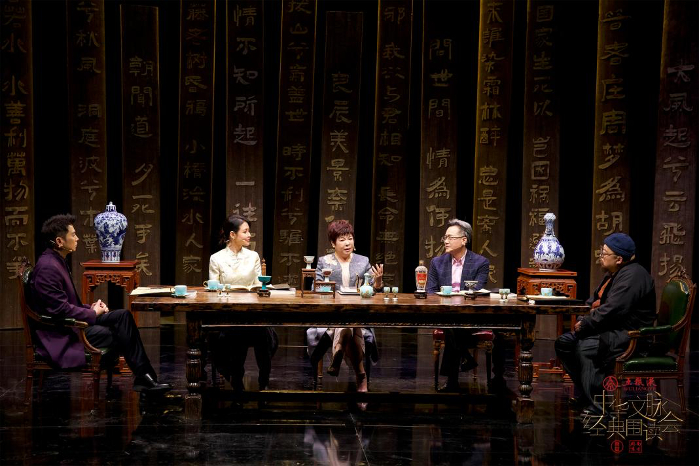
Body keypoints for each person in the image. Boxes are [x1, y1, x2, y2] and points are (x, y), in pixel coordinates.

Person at [29, 214, 172, 394]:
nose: (77, 238)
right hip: (64, 333)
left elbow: (65, 303)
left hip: (72, 324)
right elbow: (59, 309)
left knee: (123, 317)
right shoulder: (48, 267)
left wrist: (91, 308)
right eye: (73, 235)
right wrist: (93, 313)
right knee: (122, 333)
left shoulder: (56, 261)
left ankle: (145, 378)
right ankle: (145, 380)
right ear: (59, 241)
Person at [555, 233, 655, 414]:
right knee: (564, 343)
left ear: (619, 259)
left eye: (604, 253)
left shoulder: (633, 276)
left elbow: (613, 310)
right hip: (610, 329)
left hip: (630, 336)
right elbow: (594, 301)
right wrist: (583, 318)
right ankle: (586, 394)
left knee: (586, 347)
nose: (600, 256)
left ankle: (598, 405)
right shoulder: (614, 274)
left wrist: (585, 324)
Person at [306, 220, 383, 402]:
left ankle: (339, 348)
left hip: (357, 314)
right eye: (342, 239)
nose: (347, 243)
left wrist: (378, 283)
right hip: (332, 314)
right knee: (348, 325)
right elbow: (316, 288)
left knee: (348, 324)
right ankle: (361, 376)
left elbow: (373, 290)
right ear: (333, 243)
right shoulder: (324, 261)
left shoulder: (363, 261)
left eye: (350, 238)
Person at [208, 214, 278, 391]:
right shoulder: (216, 258)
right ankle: (236, 378)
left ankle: (264, 379)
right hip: (228, 311)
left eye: (249, 231)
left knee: (264, 333)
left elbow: (258, 284)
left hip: (251, 310)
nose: (249, 235)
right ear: (232, 235)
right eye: (245, 232)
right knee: (235, 333)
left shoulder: (253, 256)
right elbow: (213, 288)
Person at [426, 219, 490, 392]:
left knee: (453, 326)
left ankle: (452, 380)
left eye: (450, 237)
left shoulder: (481, 262)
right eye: (445, 237)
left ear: (464, 240)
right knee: (451, 323)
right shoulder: (437, 262)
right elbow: (430, 291)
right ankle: (465, 357)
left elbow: (476, 290)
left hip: (469, 314)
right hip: (444, 312)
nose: (446, 241)